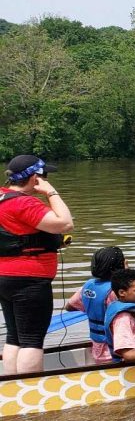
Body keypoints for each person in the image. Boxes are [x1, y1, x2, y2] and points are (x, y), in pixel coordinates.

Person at [0, 155, 73, 375]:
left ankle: (12, 387)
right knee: (31, 339)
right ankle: (30, 390)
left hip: (4, 277)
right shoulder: (25, 202)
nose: (46, 179)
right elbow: (66, 223)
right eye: (44, 176)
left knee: (15, 335)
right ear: (34, 178)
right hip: (28, 280)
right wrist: (51, 192)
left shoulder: (2, 198)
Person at [64, 246, 125, 363]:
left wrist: (91, 306)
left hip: (96, 347)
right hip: (115, 350)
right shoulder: (117, 290)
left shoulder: (88, 285)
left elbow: (69, 306)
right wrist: (127, 275)